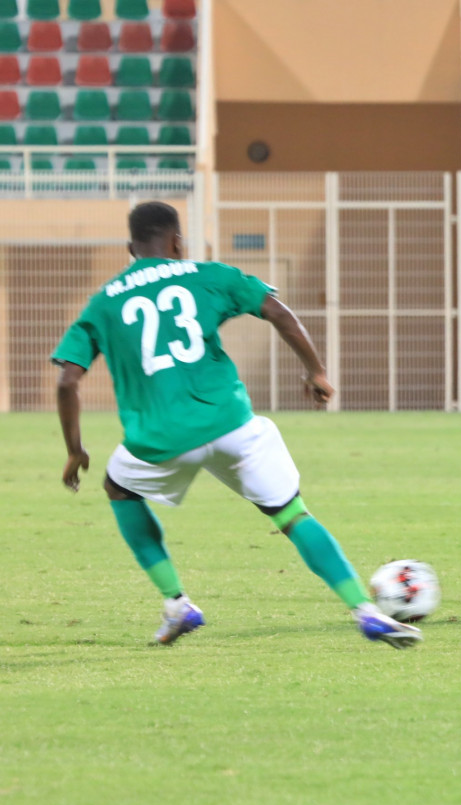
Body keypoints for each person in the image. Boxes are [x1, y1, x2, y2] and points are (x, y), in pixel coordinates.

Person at [52, 201, 421, 649]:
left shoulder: (105, 302)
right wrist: (315, 371)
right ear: (178, 242)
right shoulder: (208, 274)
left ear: (130, 247)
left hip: (160, 438)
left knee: (119, 488)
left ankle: (176, 603)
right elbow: (279, 313)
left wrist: (75, 449)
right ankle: (364, 610)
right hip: (232, 425)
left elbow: (68, 382)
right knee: (290, 513)